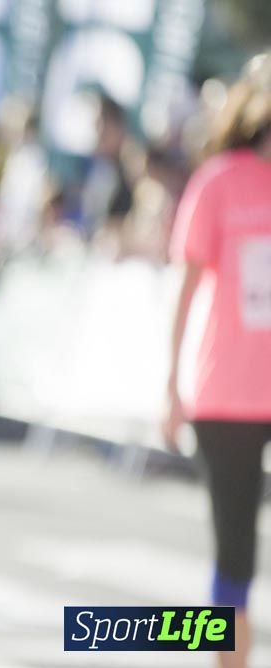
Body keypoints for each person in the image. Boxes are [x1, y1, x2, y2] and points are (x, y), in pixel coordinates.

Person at [163, 52, 271, 668]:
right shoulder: (221, 180)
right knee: (235, 553)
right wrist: (170, 387)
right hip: (225, 394)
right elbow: (184, 288)